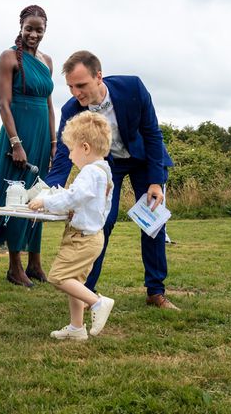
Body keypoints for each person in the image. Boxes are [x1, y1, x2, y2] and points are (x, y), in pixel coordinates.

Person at [45, 50, 179, 310]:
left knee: (153, 225)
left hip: (144, 161)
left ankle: (156, 291)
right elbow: (63, 153)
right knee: (100, 222)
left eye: (81, 85)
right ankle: (87, 293)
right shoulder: (71, 109)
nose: (76, 93)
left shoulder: (133, 87)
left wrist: (155, 180)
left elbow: (152, 134)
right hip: (109, 165)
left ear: (98, 77)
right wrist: (51, 189)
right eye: (71, 86)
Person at [0, 5, 55, 287]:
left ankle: (35, 262)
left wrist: (54, 141)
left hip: (42, 135)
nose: (33, 34)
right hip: (17, 134)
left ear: (45, 30)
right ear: (21, 26)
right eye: (29, 28)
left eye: (39, 30)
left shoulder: (47, 61)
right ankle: (14, 266)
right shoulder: (8, 57)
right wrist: (16, 142)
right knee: (16, 199)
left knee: (39, 196)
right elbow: (3, 103)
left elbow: (48, 103)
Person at [28, 111, 115, 339]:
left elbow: (72, 198)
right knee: (75, 280)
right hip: (92, 236)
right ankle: (77, 328)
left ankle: (97, 302)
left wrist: (44, 201)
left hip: (82, 238)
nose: (69, 157)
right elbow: (84, 201)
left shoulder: (89, 172)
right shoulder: (104, 170)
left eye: (71, 150)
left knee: (58, 276)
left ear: (85, 147)